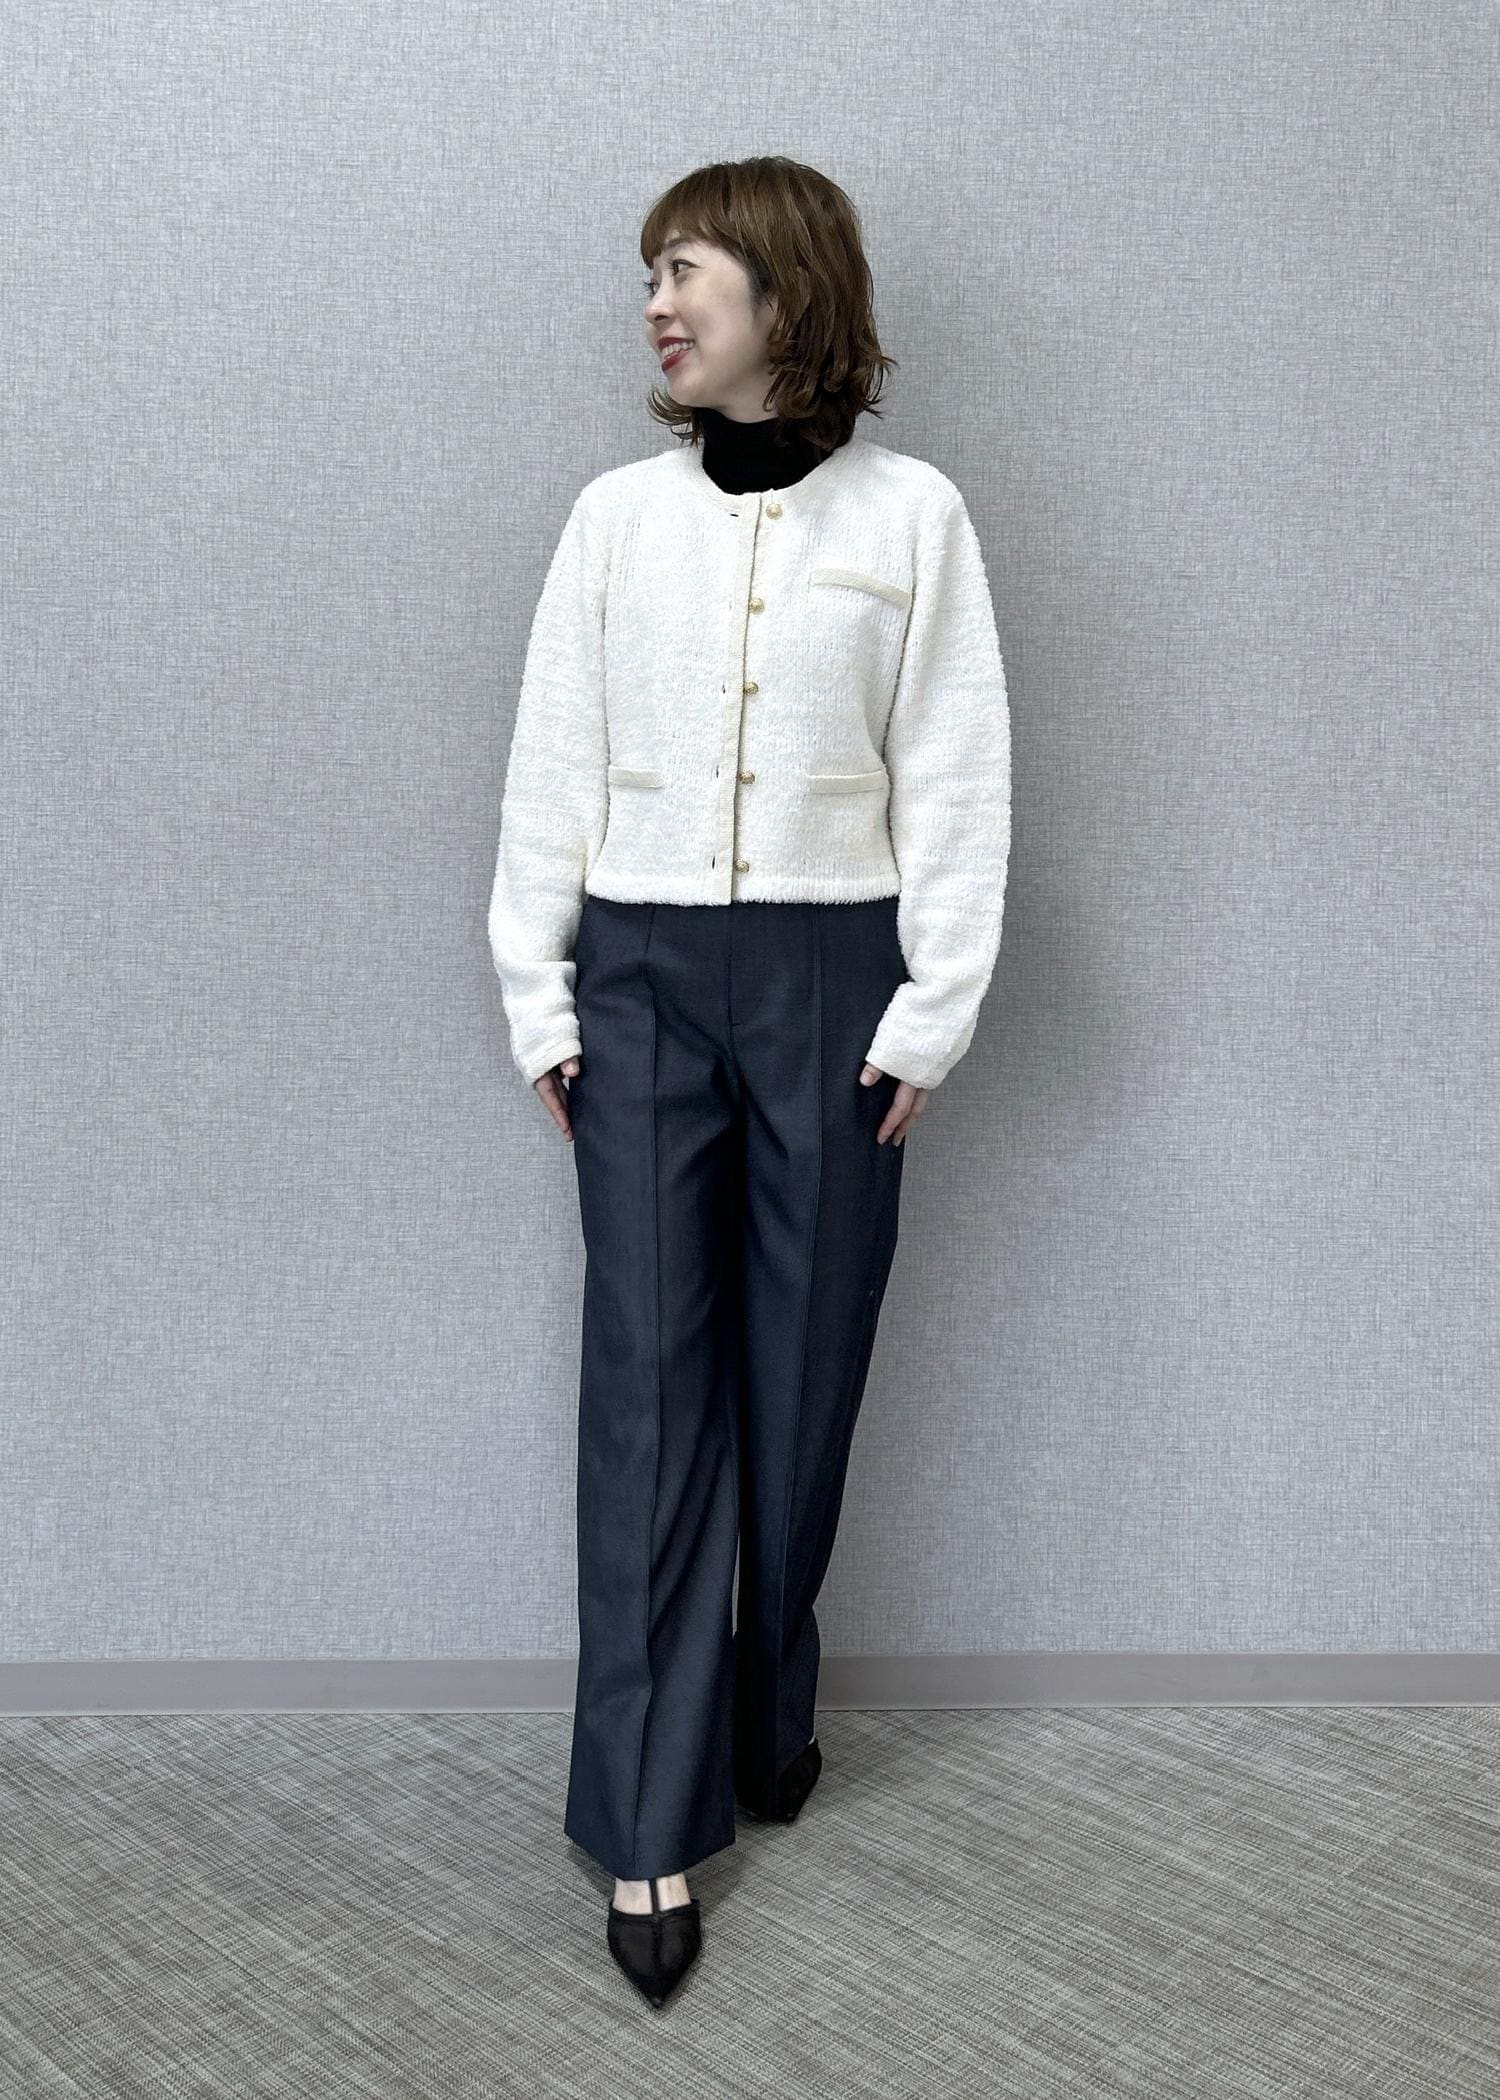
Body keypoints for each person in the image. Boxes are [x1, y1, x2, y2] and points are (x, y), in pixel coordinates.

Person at [487, 155, 1012, 2008]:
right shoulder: (614, 521)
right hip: (638, 984)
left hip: (831, 985)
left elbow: (954, 768)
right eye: (650, 273)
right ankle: (645, 1820)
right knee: (648, 1394)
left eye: (687, 268)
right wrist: (540, 994)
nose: (655, 303)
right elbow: (552, 757)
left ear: (786, 293)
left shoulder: (914, 516)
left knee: (802, 1386)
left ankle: (767, 1707)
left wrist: (930, 1011)